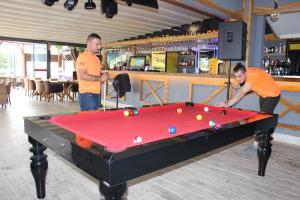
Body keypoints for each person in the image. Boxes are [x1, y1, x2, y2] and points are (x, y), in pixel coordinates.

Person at [216, 63, 281, 155]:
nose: (238, 79)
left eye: (240, 76)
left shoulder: (253, 75)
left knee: (262, 121)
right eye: (236, 77)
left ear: (245, 72)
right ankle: (263, 141)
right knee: (263, 121)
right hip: (263, 95)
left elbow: (242, 92)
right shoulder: (248, 75)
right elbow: (243, 92)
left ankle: (255, 146)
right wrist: (227, 102)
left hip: (272, 95)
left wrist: (227, 104)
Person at [76, 33, 109, 111]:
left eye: (100, 44)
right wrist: (100, 78)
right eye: (97, 44)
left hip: (96, 94)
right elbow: (82, 75)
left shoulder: (96, 59)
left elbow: (95, 74)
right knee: (88, 121)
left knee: (93, 120)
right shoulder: (83, 57)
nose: (99, 47)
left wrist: (103, 76)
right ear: (89, 43)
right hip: (87, 95)